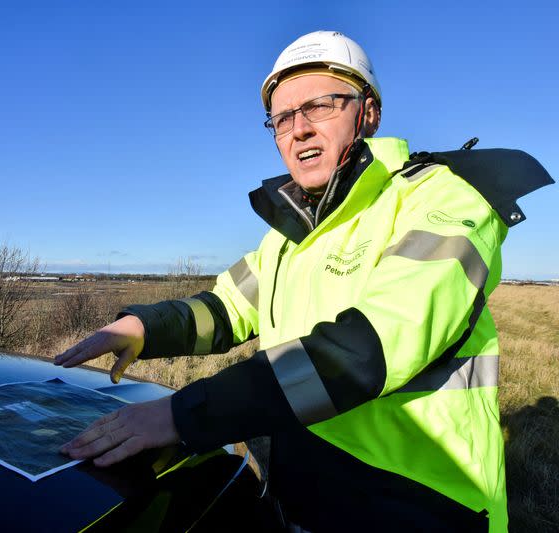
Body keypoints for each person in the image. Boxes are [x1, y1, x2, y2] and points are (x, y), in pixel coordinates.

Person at [54, 31, 552, 532]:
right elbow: (226, 308)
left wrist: (184, 416)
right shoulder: (291, 236)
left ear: (369, 112)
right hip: (306, 488)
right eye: (283, 117)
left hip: (417, 500)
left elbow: (364, 351)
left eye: (319, 107)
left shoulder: (442, 199)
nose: (298, 130)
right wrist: (143, 327)